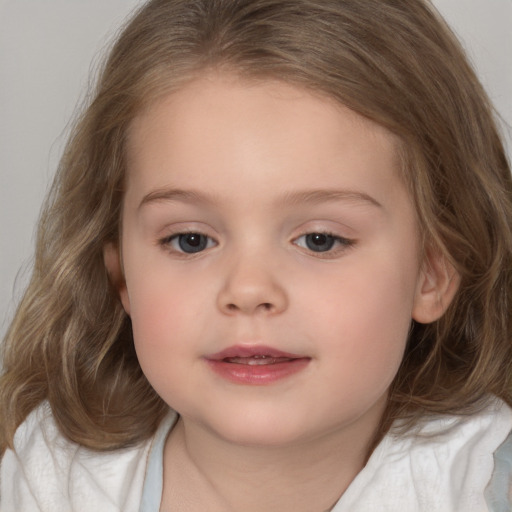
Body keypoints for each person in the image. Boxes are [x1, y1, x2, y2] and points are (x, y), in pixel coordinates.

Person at [1, 0, 511, 510]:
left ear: (432, 273)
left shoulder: (483, 481)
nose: (247, 290)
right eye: (191, 240)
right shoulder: (54, 479)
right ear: (123, 279)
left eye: (320, 240)